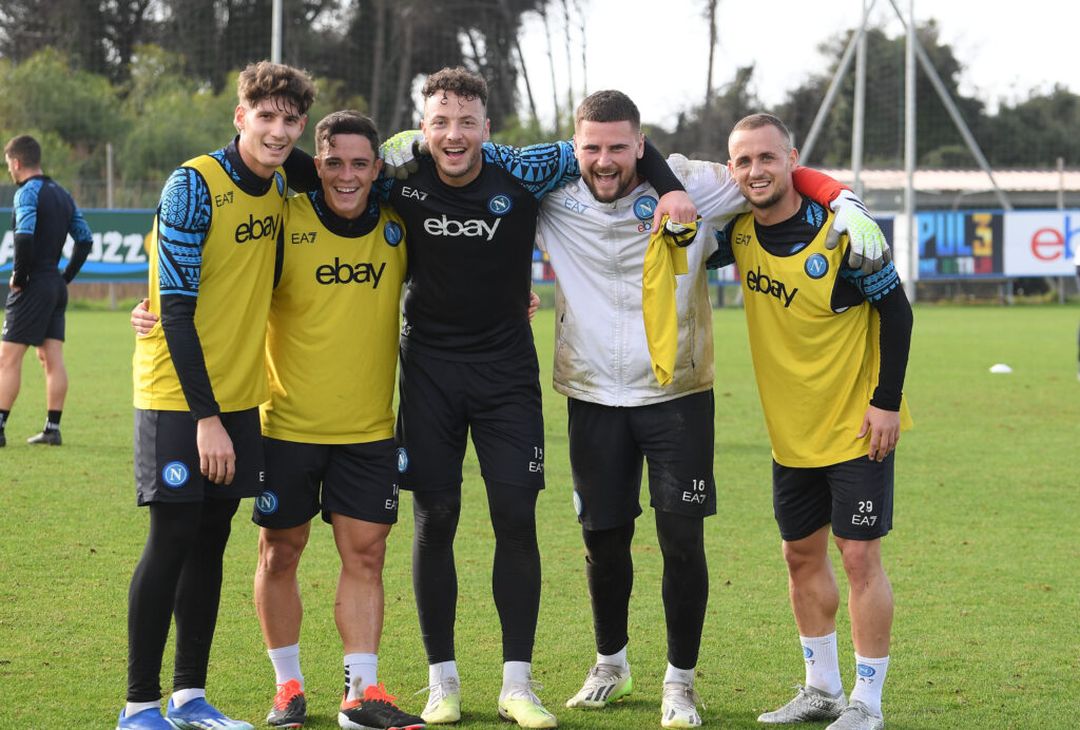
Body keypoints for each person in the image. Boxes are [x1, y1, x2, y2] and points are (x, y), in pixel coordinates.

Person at [283, 67, 691, 730]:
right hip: (430, 371)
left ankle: (516, 686)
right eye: (440, 122)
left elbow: (619, 147)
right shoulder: (398, 173)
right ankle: (440, 684)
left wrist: (670, 191)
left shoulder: (525, 170)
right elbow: (326, 170)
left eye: (466, 123)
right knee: (433, 519)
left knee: (514, 519)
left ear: (486, 128)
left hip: (506, 376)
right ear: (424, 125)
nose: (452, 135)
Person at [493, 91, 880, 729]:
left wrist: (843, 199)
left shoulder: (698, 185)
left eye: (619, 146)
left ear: (640, 146)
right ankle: (610, 664)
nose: (605, 160)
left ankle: (681, 682)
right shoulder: (554, 194)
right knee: (603, 540)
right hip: (591, 393)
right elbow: (472, 176)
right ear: (575, 147)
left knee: (681, 540)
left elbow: (770, 173)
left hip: (678, 397)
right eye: (591, 147)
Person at [119, 61, 315, 730]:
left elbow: (373, 159)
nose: (279, 130)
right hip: (179, 396)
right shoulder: (192, 185)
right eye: (266, 117)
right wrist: (206, 420)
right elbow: (173, 309)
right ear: (241, 117)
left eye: (291, 120)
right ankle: (139, 705)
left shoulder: (287, 181)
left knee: (210, 539)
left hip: (240, 395)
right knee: (171, 533)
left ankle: (189, 697)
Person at [711, 113, 912, 730]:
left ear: (791, 159)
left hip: (856, 425)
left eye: (767, 159)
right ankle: (820, 688)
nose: (756, 171)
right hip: (789, 433)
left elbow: (898, 314)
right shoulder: (738, 232)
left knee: (858, 558)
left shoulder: (844, 235)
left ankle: (867, 703)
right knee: (800, 555)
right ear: (731, 169)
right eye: (743, 162)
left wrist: (886, 401)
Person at [0, 134, 93, 448]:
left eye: (8, 165)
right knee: (51, 358)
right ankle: (52, 428)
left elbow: (24, 236)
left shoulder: (27, 193)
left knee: (6, 359)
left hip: (34, 284)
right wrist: (64, 276)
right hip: (54, 283)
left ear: (16, 162)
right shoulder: (62, 193)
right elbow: (85, 239)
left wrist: (20, 276)